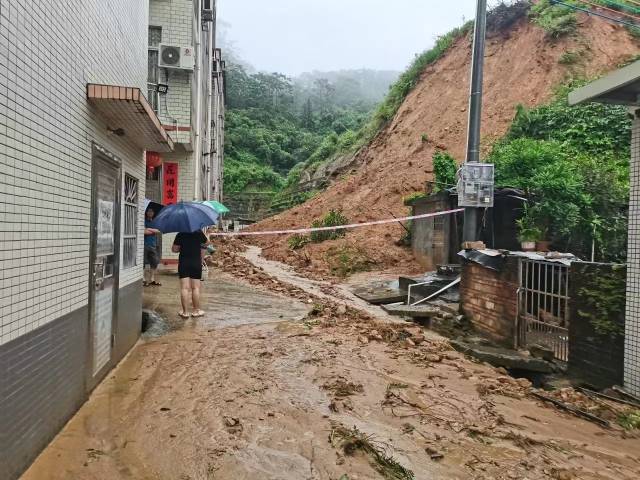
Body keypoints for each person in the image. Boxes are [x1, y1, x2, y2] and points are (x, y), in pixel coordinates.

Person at [172, 229, 208, 318]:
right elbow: (207, 243)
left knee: (184, 288)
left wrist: (182, 247)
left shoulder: (180, 233)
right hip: (196, 263)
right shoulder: (199, 232)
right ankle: (196, 311)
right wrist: (198, 245)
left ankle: (185, 312)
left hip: (184, 263)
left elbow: (174, 249)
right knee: (195, 288)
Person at [144, 209, 162, 286]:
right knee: (143, 262)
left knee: (154, 262)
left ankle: (151, 279)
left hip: (153, 245)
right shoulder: (143, 221)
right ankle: (143, 279)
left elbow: (159, 231)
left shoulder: (155, 222)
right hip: (144, 244)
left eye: (152, 211)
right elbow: (144, 231)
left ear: (154, 213)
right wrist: (153, 231)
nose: (150, 213)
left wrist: (149, 229)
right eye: (149, 211)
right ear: (146, 212)